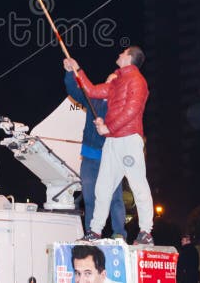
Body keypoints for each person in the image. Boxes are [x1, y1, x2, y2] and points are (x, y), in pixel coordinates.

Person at [66, 46, 154, 245]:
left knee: (138, 184)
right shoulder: (117, 82)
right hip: (112, 141)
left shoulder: (137, 81)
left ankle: (146, 231)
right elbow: (91, 91)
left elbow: (132, 109)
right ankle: (95, 231)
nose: (119, 54)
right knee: (103, 187)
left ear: (130, 57)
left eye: (123, 53)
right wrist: (77, 70)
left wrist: (108, 127)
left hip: (129, 139)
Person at [64, 71, 127, 239]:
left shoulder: (120, 106)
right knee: (90, 198)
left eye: (115, 83)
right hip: (90, 158)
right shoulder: (93, 98)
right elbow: (75, 91)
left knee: (115, 199)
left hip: (111, 158)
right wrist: (70, 73)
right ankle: (92, 233)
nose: (110, 85)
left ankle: (119, 233)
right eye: (108, 80)